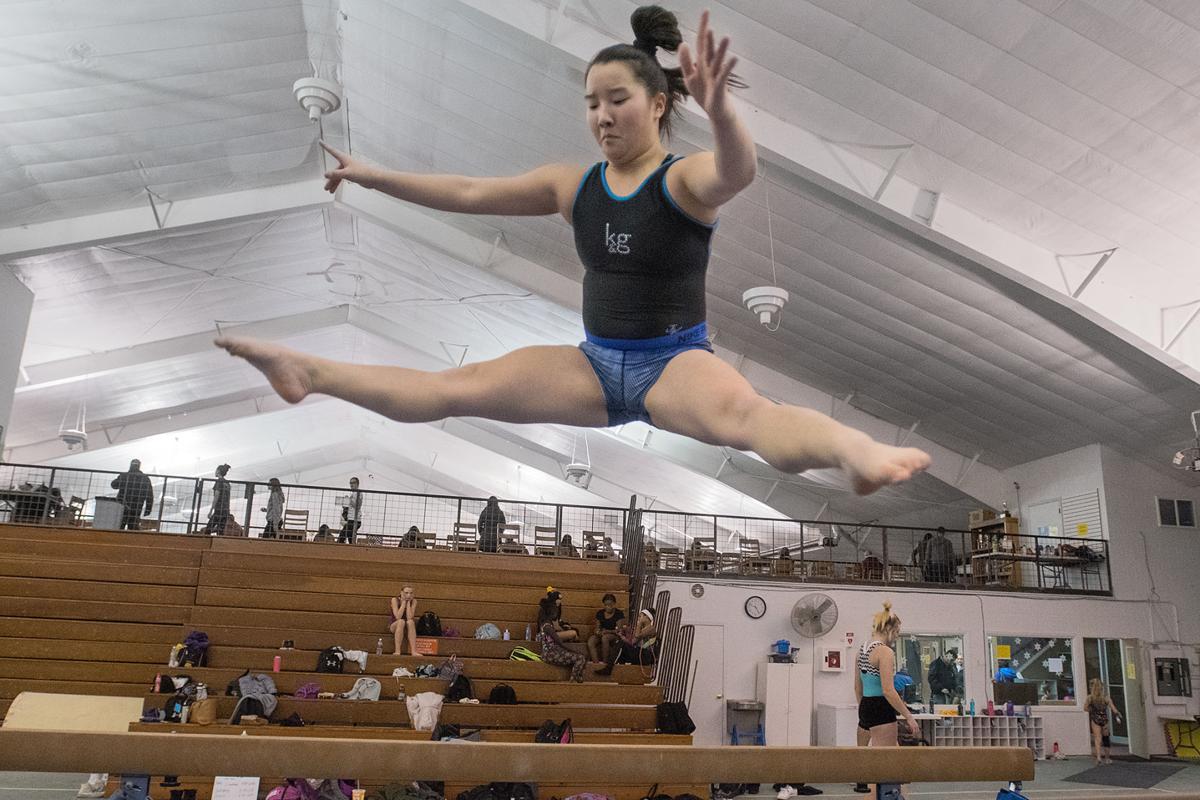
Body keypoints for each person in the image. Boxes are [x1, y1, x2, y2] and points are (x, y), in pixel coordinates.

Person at [213, 7, 931, 497]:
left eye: (615, 99)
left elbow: (737, 172)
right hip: (589, 365)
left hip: (672, 364)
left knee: (750, 420)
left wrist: (721, 110)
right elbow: (467, 191)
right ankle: (308, 370)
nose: (600, 115)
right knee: (450, 390)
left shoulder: (679, 179)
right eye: (590, 101)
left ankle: (854, 452)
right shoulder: (572, 183)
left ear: (655, 103)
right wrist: (374, 175)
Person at [853, 601, 920, 795]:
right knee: (885, 769)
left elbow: (857, 687)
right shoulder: (884, 651)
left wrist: (864, 709)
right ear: (889, 629)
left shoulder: (861, 650)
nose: (896, 637)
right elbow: (888, 690)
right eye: (897, 633)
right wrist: (908, 716)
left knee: (869, 767)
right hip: (881, 708)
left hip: (865, 705)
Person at [537, 596, 586, 683]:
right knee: (580, 658)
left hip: (553, 652)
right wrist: (576, 651)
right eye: (555, 610)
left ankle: (578, 678)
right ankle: (573, 681)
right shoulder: (547, 626)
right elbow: (560, 643)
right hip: (550, 655)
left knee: (580, 657)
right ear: (550, 612)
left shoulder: (547, 623)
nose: (556, 612)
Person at [600, 608, 658, 675]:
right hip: (639, 653)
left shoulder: (651, 628)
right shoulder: (642, 629)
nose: (638, 618)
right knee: (621, 644)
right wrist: (622, 637)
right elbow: (633, 642)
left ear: (646, 617)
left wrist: (639, 624)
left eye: (640, 616)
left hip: (646, 656)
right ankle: (614, 670)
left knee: (622, 646)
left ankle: (609, 668)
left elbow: (637, 635)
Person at [1086, 678, 1122, 765]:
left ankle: (1098, 757)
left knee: (1097, 738)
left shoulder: (1090, 698)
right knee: (1106, 738)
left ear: (1092, 688)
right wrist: (1118, 714)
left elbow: (1085, 708)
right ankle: (1107, 758)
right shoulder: (1106, 698)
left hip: (1095, 719)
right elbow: (1113, 708)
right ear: (1101, 688)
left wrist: (1092, 710)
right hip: (1104, 719)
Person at [111, 458, 154, 531]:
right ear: (139, 466)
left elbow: (113, 485)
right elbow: (149, 495)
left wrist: (122, 481)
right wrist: (148, 509)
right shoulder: (145, 478)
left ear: (130, 465)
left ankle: (116, 540)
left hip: (122, 504)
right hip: (136, 506)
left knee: (119, 526)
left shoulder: (124, 476)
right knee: (133, 527)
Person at [587, 592, 626, 665]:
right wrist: (597, 632)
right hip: (603, 633)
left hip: (614, 635)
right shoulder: (600, 613)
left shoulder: (619, 613)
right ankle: (596, 663)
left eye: (610, 605)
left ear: (614, 604)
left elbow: (619, 631)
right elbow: (597, 628)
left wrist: (607, 631)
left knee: (605, 638)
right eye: (605, 605)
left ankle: (605, 663)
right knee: (591, 641)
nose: (607, 607)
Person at [202, 464, 232, 535]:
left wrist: (211, 510)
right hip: (226, 510)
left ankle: (205, 544)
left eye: (216, 470)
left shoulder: (219, 482)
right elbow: (228, 497)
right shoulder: (227, 483)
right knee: (220, 531)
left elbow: (216, 496)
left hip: (219, 509)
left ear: (218, 471)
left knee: (208, 529)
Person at [390, 586, 419, 656]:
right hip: (395, 625)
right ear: (401, 593)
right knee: (401, 621)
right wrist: (403, 603)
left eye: (411, 593)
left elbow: (409, 617)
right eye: (406, 593)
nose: (408, 595)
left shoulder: (414, 601)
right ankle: (397, 650)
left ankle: (413, 651)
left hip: (408, 627)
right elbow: (397, 616)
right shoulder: (394, 600)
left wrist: (408, 603)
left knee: (411, 622)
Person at [338, 476, 363, 544]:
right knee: (350, 538)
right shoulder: (354, 493)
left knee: (342, 536)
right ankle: (352, 552)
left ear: (357, 484)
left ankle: (339, 551)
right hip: (352, 519)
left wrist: (348, 500)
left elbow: (358, 505)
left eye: (353, 483)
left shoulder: (358, 493)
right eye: (350, 483)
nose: (351, 484)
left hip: (354, 520)